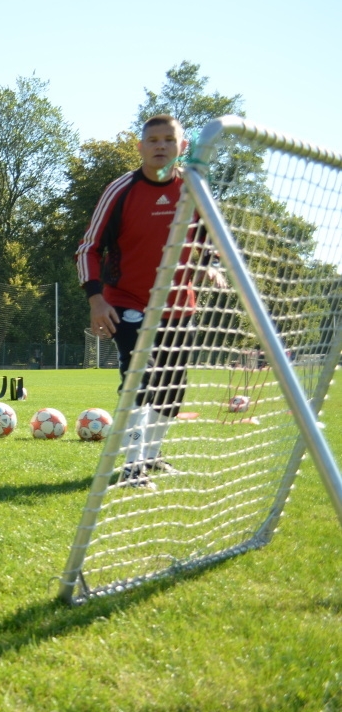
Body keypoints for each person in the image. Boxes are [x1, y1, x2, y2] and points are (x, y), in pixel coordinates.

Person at [75, 113, 223, 487]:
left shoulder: (195, 188)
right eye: (153, 140)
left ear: (182, 147)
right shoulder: (121, 190)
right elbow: (88, 248)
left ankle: (153, 455)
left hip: (179, 306)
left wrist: (210, 266)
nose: (160, 146)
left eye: (168, 140)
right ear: (140, 147)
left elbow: (208, 239)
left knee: (172, 387)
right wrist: (96, 300)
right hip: (127, 302)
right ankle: (131, 466)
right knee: (141, 379)